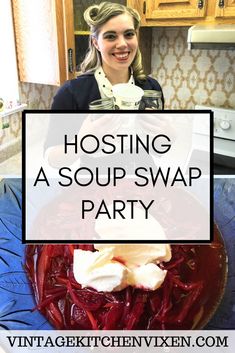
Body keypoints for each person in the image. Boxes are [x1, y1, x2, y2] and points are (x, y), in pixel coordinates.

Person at [51, 1, 164, 110]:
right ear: (96, 43)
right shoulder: (69, 94)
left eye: (129, 34)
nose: (122, 44)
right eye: (110, 36)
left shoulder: (152, 90)